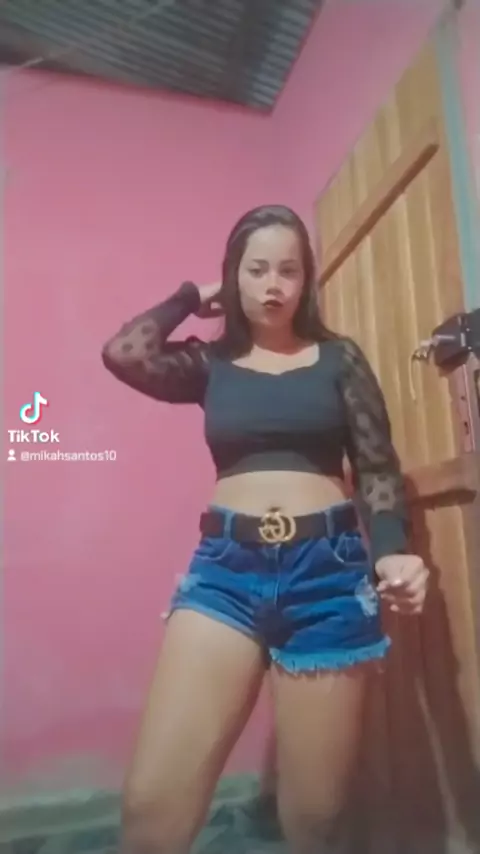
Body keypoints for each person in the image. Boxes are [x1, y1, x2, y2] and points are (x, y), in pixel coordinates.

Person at [101, 205, 429, 854]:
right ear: (235, 276)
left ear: (306, 280)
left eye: (288, 270)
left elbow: (376, 466)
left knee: (315, 819)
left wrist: (392, 551)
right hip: (225, 573)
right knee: (149, 808)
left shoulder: (338, 358)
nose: (273, 285)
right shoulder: (210, 364)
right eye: (256, 270)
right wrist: (191, 297)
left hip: (328, 576)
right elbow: (124, 353)